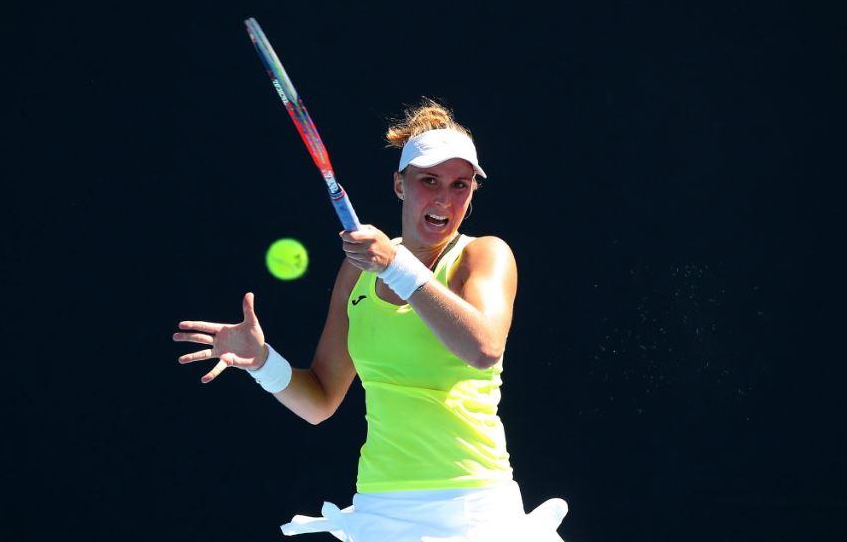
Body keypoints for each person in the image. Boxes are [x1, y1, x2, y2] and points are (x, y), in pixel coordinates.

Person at [173, 100, 568, 541]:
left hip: (473, 510)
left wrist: (396, 264)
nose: (443, 198)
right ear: (399, 184)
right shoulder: (359, 270)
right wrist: (263, 361)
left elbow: (483, 347)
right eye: (429, 180)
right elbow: (320, 400)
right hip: (380, 509)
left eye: (460, 185)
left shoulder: (484, 254)